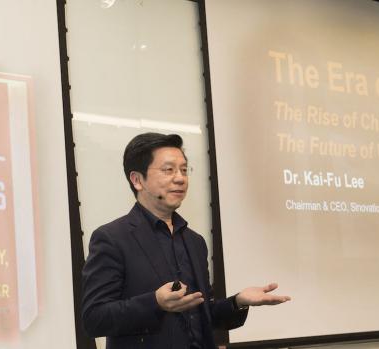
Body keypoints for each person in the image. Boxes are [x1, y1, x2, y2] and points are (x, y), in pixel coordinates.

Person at [82, 133, 290, 348]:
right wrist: (155, 302)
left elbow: (204, 313)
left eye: (184, 169)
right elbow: (94, 319)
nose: (180, 178)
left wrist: (237, 302)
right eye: (168, 170)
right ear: (137, 180)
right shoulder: (112, 238)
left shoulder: (194, 241)